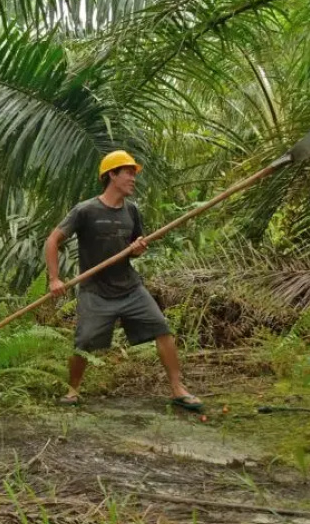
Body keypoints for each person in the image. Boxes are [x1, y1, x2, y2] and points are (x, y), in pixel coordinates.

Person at [44, 150, 202, 410]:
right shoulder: (86, 210)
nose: (133, 178)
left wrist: (137, 249)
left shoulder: (132, 211)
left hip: (130, 288)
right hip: (95, 291)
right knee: (84, 342)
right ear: (112, 175)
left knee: (162, 329)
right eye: (128, 173)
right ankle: (72, 390)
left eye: (133, 173)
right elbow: (52, 240)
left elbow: (135, 247)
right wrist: (54, 279)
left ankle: (178, 389)